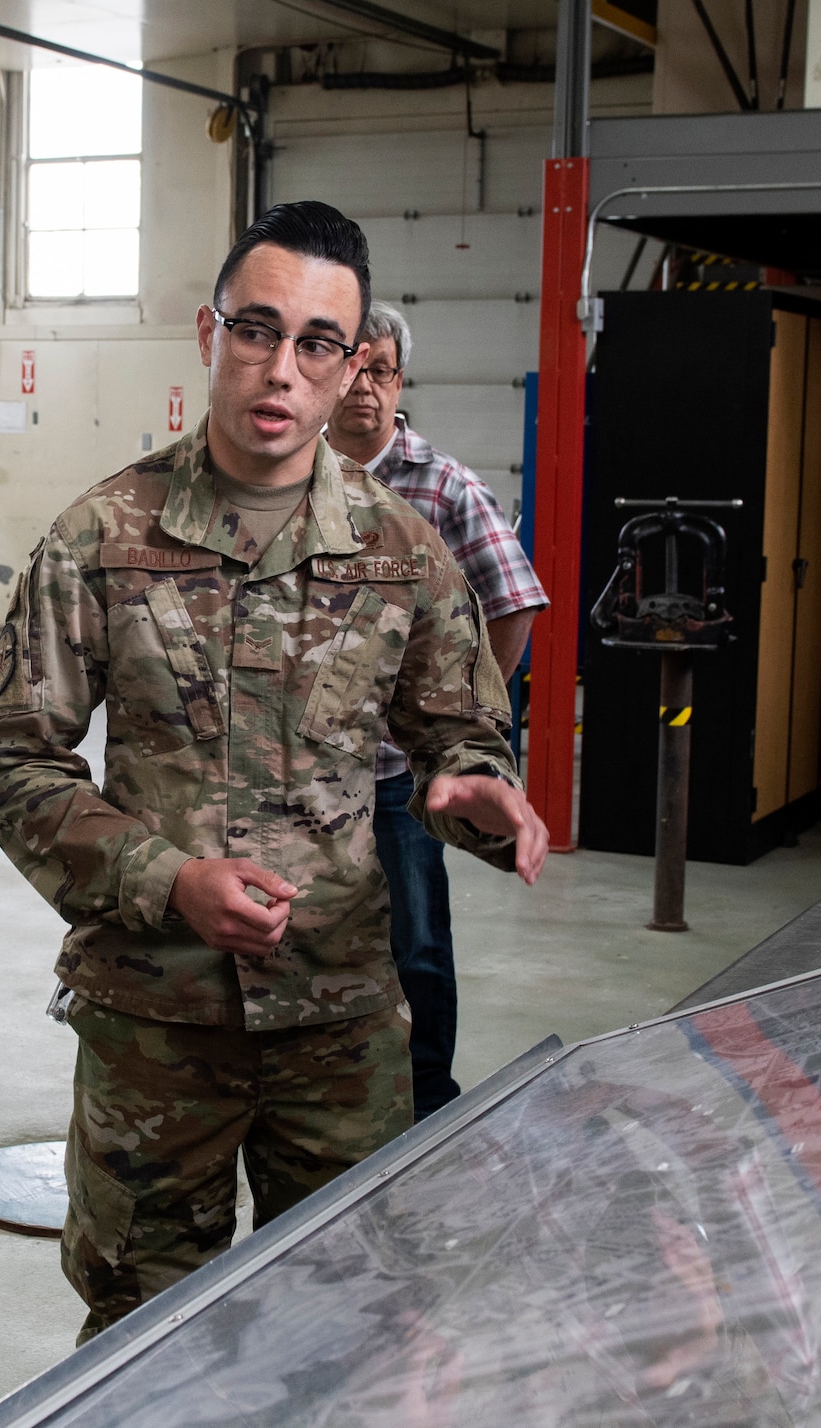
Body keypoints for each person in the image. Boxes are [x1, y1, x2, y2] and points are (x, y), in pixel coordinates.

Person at [0, 200, 550, 1341]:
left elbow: (460, 736)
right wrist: (162, 879)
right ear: (209, 335)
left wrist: (477, 792)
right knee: (140, 1332)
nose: (279, 369)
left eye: (316, 344)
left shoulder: (401, 551)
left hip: (338, 1031)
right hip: (155, 1027)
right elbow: (19, 762)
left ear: (352, 369)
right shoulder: (101, 537)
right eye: (256, 330)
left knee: (343, 1322)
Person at [325, 302, 548, 1121]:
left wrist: (461, 715)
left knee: (414, 941)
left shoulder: (444, 488)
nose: (365, 390)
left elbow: (512, 602)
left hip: (397, 773)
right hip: (309, 774)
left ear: (399, 380)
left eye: (382, 371)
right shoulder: (292, 475)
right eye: (352, 369)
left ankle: (428, 1101)